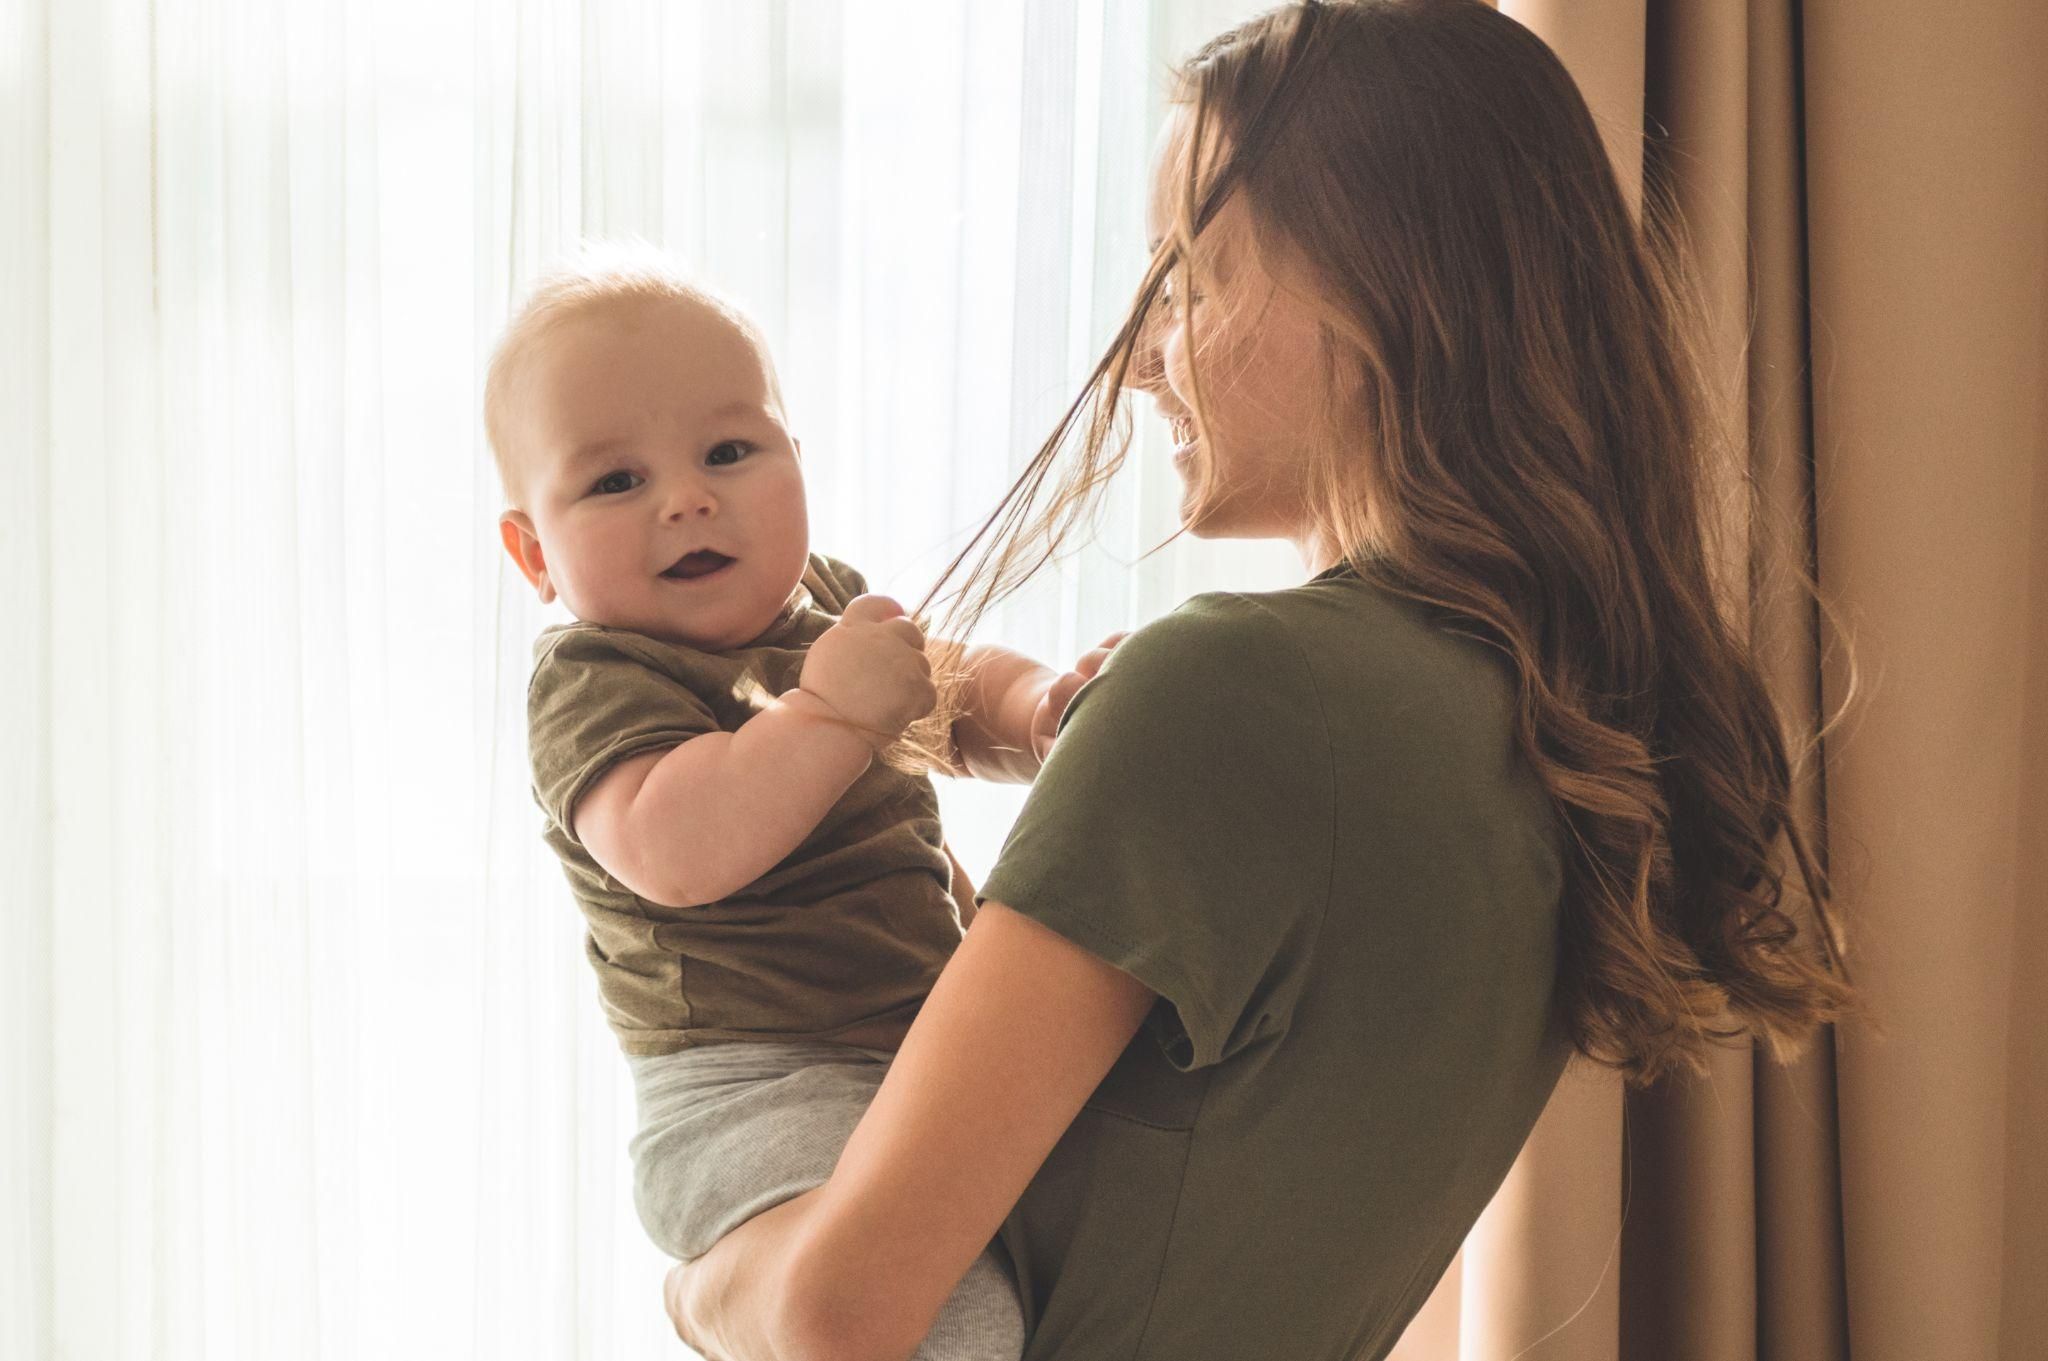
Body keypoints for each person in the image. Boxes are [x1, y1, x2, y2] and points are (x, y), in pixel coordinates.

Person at [661, 2, 1862, 1359]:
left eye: (1193, 277)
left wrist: (691, 1272)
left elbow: (840, 1313)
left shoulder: (1234, 696)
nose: (1144, 358)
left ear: (1385, 284)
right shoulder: (1547, 718)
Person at [486, 254, 1124, 1358]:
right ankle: (750, 1288)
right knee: (938, 1320)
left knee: (1081, 1243)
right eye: (614, 481)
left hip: (923, 1047)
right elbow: (674, 847)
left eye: (729, 452)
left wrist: (1044, 710)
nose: (686, 497)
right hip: (753, 1090)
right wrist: (827, 716)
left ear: (796, 460)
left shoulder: (822, 603)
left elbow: (950, 690)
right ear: (534, 552)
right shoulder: (596, 676)